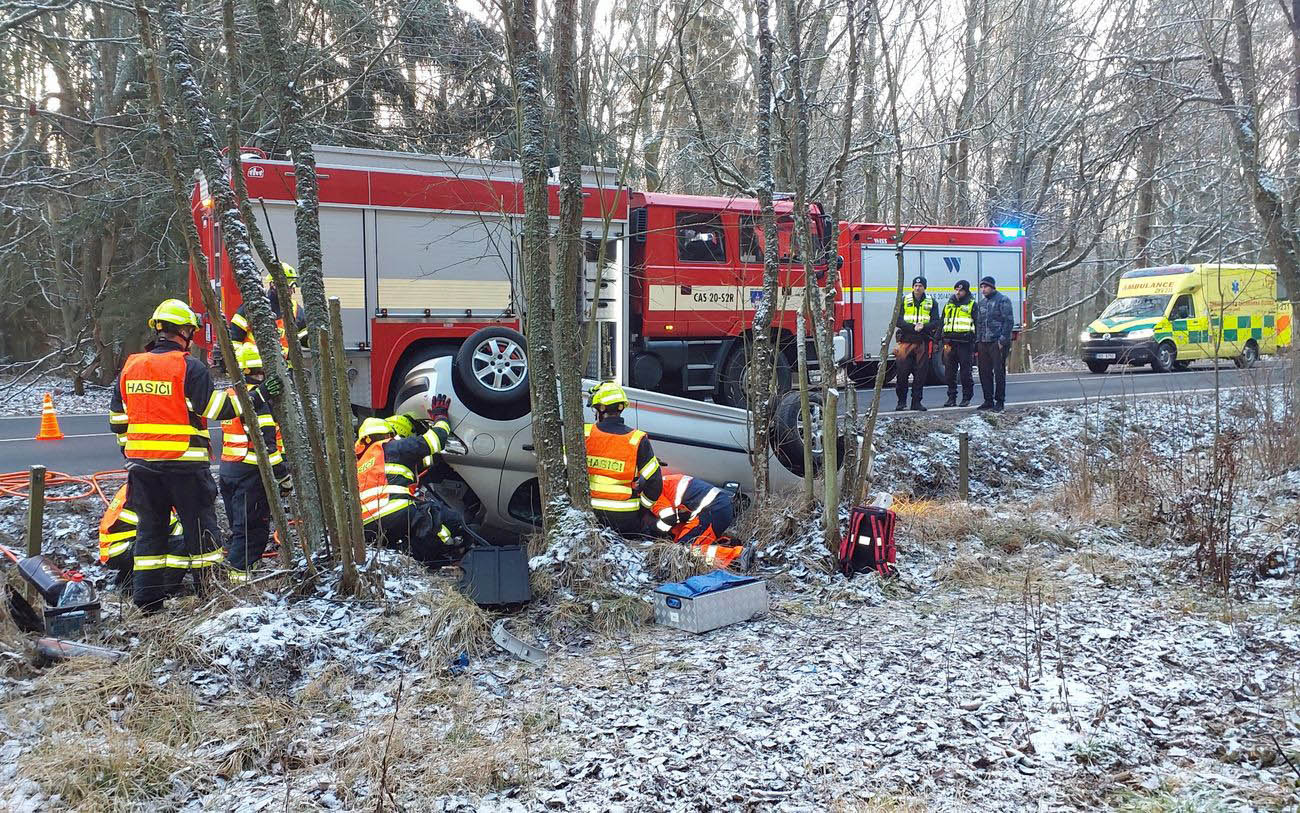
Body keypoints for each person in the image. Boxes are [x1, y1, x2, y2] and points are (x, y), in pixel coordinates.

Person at [109, 299, 227, 612]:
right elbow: (216, 409)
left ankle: (148, 603)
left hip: (143, 469)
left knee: (150, 533)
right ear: (184, 331)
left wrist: (132, 449)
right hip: (185, 468)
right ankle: (210, 597)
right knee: (201, 532)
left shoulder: (131, 366)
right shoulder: (190, 367)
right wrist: (255, 396)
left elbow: (117, 419)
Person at [354, 399, 468, 566]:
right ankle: (450, 552)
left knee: (410, 538)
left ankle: (424, 562)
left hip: (367, 528)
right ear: (388, 433)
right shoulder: (393, 447)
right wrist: (440, 417)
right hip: (395, 511)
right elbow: (436, 439)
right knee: (446, 519)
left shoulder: (360, 464)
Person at [218, 343, 291, 583]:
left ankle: (238, 571)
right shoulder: (258, 402)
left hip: (230, 470)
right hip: (251, 474)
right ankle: (239, 583)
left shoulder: (233, 396)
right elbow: (267, 446)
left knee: (239, 528)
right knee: (252, 531)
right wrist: (283, 477)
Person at [585, 382, 663, 534]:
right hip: (626, 518)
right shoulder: (637, 439)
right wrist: (643, 509)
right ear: (621, 408)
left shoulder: (585, 434)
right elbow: (655, 482)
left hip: (590, 513)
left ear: (601, 409)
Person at [651, 473, 753, 570]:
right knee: (681, 545)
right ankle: (725, 545)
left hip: (712, 510)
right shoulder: (665, 482)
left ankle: (737, 555)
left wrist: (656, 533)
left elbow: (669, 519)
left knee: (685, 551)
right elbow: (678, 524)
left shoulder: (652, 493)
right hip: (716, 508)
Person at [98, 483, 182, 592]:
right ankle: (165, 589)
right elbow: (173, 529)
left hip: (116, 548)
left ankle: (127, 580)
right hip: (121, 550)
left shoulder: (139, 484)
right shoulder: (151, 493)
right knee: (181, 545)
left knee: (155, 540)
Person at [229, 263, 308, 352]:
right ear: (273, 284)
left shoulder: (295, 309)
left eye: (293, 286)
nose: (292, 290)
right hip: (254, 364)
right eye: (288, 285)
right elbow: (234, 338)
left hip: (285, 365)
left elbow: (304, 337)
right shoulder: (254, 305)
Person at [894, 276, 941, 411]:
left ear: (924, 287)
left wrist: (924, 327)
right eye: (915, 285)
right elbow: (898, 320)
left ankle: (916, 402)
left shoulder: (932, 302)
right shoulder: (905, 300)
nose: (917, 288)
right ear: (912, 287)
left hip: (922, 342)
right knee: (902, 373)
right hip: (906, 341)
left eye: (920, 286)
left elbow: (936, 321)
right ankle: (901, 402)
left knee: (920, 375)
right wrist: (912, 327)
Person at [973, 275, 1015, 411]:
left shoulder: (1003, 300)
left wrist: (1002, 340)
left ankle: (1000, 401)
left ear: (992, 287)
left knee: (999, 372)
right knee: (984, 372)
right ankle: (988, 400)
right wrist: (977, 341)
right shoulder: (982, 303)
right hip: (983, 342)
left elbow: (1008, 322)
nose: (983, 290)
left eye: (985, 287)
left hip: (997, 342)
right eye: (982, 287)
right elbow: (978, 323)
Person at [941, 279, 978, 407]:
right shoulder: (949, 304)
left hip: (965, 343)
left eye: (961, 290)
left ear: (966, 291)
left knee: (965, 373)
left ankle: (966, 397)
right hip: (950, 343)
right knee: (949, 373)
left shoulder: (972, 305)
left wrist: (975, 343)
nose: (958, 292)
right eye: (956, 290)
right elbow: (942, 322)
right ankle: (951, 398)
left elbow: (977, 324)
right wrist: (938, 339)